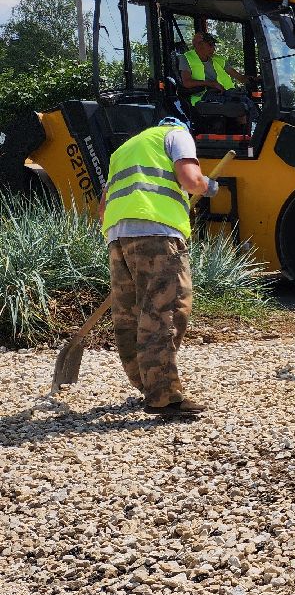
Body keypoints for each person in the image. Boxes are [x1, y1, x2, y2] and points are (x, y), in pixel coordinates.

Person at [99, 115, 218, 419]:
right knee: (164, 310)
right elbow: (191, 180)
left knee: (130, 314)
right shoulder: (176, 135)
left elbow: (102, 208)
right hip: (158, 233)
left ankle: (147, 385)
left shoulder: (124, 150)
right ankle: (163, 397)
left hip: (117, 235)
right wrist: (210, 187)